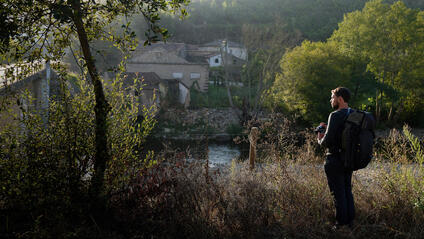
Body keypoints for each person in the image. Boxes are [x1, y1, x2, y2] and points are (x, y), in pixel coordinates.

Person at [317, 87, 354, 230]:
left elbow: (326, 142)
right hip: (349, 159)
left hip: (334, 160)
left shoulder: (335, 115)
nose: (331, 100)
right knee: (346, 191)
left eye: (332, 97)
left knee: (337, 193)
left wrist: (320, 136)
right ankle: (350, 223)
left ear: (339, 99)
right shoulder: (353, 113)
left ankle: (340, 224)